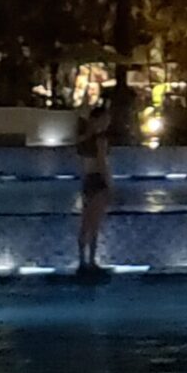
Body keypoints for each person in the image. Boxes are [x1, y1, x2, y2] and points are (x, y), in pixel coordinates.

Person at [76, 102, 114, 271]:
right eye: (105, 119)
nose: (107, 123)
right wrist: (109, 184)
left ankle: (82, 260)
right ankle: (91, 261)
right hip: (98, 180)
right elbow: (102, 163)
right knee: (94, 224)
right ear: (98, 120)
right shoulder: (100, 140)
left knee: (85, 222)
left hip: (87, 180)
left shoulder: (84, 139)